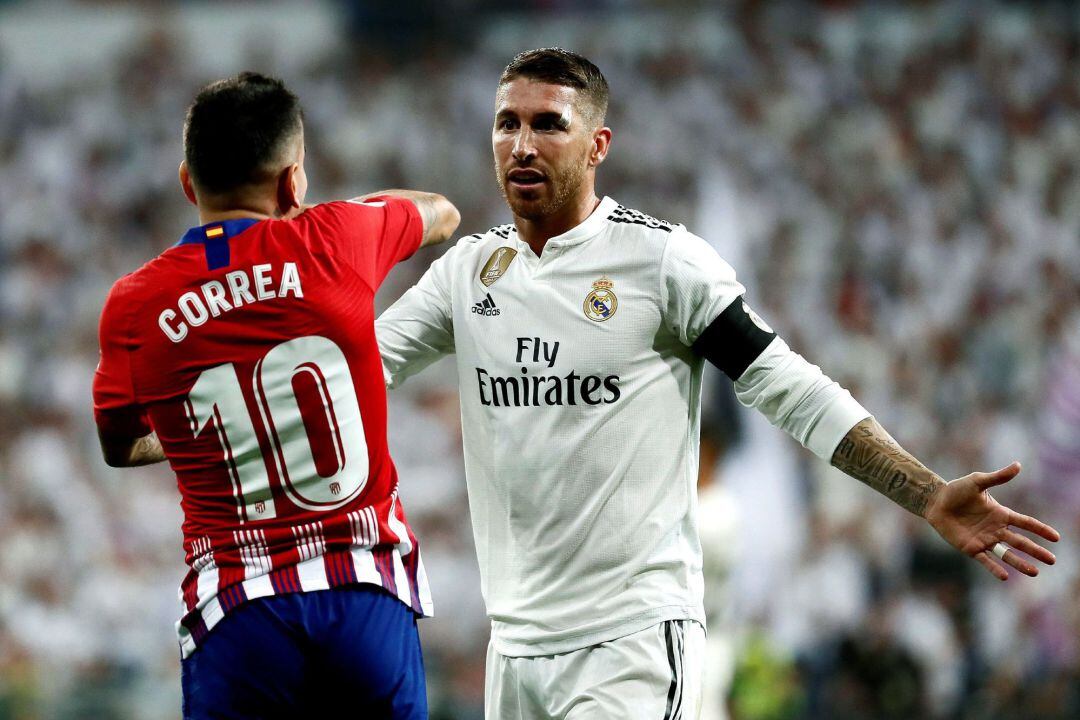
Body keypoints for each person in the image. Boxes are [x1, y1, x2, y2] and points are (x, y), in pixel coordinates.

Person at [375, 48, 1060, 719]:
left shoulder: (661, 263)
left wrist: (927, 491)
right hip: (515, 650)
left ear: (597, 145)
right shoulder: (468, 275)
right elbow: (354, 367)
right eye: (507, 123)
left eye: (549, 124)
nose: (521, 144)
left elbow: (792, 387)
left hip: (629, 642)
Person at [91, 72, 460, 718]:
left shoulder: (134, 305)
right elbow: (442, 212)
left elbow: (118, 447)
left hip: (237, 613)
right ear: (293, 181)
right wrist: (330, 216)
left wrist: (189, 435)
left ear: (187, 182)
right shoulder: (338, 238)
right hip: (362, 593)